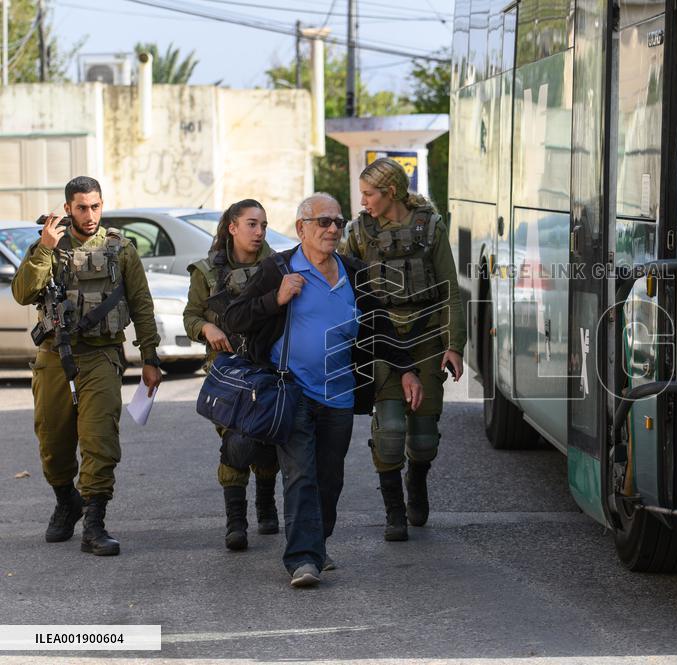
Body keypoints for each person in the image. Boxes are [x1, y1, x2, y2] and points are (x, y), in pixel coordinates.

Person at [224, 193, 423, 588]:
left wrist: (406, 369)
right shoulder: (278, 268)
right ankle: (303, 559)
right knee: (301, 474)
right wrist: (275, 298)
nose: (333, 229)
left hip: (340, 395)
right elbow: (234, 318)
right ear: (302, 228)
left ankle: (316, 544)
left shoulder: (353, 271)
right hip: (291, 390)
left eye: (338, 222)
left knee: (329, 479)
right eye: (323, 222)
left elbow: (379, 325)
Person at [11, 176, 162, 557]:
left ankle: (94, 522)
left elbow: (141, 304)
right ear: (68, 208)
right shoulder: (48, 245)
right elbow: (23, 293)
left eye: (95, 206)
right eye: (81, 207)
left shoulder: (120, 249)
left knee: (99, 440)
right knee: (53, 443)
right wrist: (44, 250)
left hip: (101, 356)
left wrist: (150, 357)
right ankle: (67, 501)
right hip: (53, 357)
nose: (90, 214)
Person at [345, 158, 467, 542]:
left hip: (426, 337)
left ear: (391, 192)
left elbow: (449, 288)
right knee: (391, 429)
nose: (363, 201)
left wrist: (454, 345)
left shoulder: (430, 227)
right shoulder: (358, 233)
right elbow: (342, 285)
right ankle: (394, 511)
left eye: (369, 194)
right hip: (382, 340)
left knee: (424, 435)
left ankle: (417, 480)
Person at [183, 199, 280, 551]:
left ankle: (266, 503)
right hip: (227, 374)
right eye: (252, 224)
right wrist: (206, 328)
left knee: (267, 444)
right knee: (237, 442)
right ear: (232, 228)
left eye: (263, 225)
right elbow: (190, 316)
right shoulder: (208, 272)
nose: (259, 232)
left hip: (269, 369)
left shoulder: (278, 266)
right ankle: (236, 521)